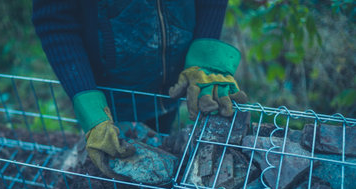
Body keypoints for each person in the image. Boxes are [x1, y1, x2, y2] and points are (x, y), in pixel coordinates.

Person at [32, 0, 247, 177]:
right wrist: (89, 106)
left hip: (173, 86)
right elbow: (54, 19)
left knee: (162, 157)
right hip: (111, 95)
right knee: (113, 173)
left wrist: (203, 57)